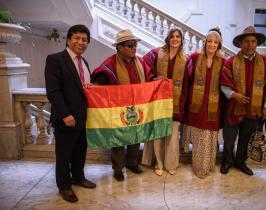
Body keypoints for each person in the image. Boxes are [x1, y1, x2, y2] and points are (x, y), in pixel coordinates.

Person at [220, 26, 266, 176]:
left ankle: (240, 162)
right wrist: (234, 94)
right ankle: (227, 161)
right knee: (229, 139)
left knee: (245, 139)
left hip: (253, 110)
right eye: (246, 41)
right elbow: (223, 84)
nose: (249, 44)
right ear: (241, 43)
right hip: (233, 107)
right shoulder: (230, 62)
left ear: (257, 43)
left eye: (253, 41)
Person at [92, 29, 154, 182]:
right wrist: (94, 87)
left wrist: (160, 80)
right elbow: (100, 79)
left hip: (137, 107)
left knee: (135, 137)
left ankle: (132, 163)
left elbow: (150, 77)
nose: (134, 48)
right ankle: (118, 169)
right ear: (119, 47)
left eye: (134, 45)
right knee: (118, 140)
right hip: (118, 109)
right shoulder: (111, 63)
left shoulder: (140, 62)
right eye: (129, 45)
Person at [45, 24, 96, 203]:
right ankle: (64, 186)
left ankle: (78, 178)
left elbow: (83, 89)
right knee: (64, 154)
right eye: (77, 38)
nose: (81, 42)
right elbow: (53, 91)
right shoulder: (55, 59)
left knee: (80, 152)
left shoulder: (84, 62)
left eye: (84, 40)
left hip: (82, 118)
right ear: (68, 40)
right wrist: (66, 114)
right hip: (66, 118)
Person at [141, 28, 188, 176]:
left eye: (178, 37)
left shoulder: (186, 59)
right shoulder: (156, 53)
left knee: (173, 135)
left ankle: (171, 164)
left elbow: (188, 82)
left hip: (176, 101)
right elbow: (143, 65)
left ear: (181, 40)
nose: (175, 39)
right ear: (168, 39)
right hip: (159, 101)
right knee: (158, 134)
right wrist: (154, 79)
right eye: (172, 36)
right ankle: (159, 163)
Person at [183, 27, 225, 178]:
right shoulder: (194, 58)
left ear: (219, 45)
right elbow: (186, 79)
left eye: (215, 42)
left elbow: (226, 84)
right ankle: (199, 167)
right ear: (205, 42)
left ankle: (208, 165)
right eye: (209, 41)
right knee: (200, 137)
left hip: (213, 105)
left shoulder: (223, 62)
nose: (212, 45)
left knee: (209, 137)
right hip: (197, 105)